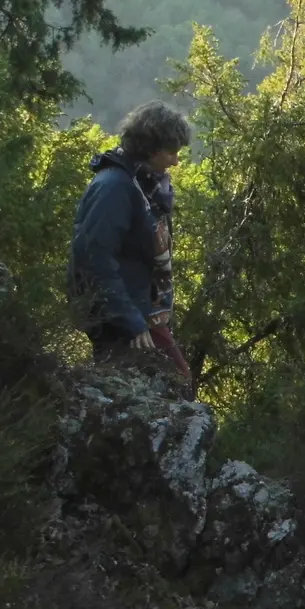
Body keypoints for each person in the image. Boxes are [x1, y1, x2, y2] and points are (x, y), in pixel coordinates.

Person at [68, 101, 194, 393]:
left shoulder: (144, 186)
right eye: (172, 152)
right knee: (168, 386)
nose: (176, 161)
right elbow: (94, 258)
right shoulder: (114, 187)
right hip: (119, 319)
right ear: (151, 149)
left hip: (140, 312)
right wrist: (130, 321)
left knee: (171, 385)